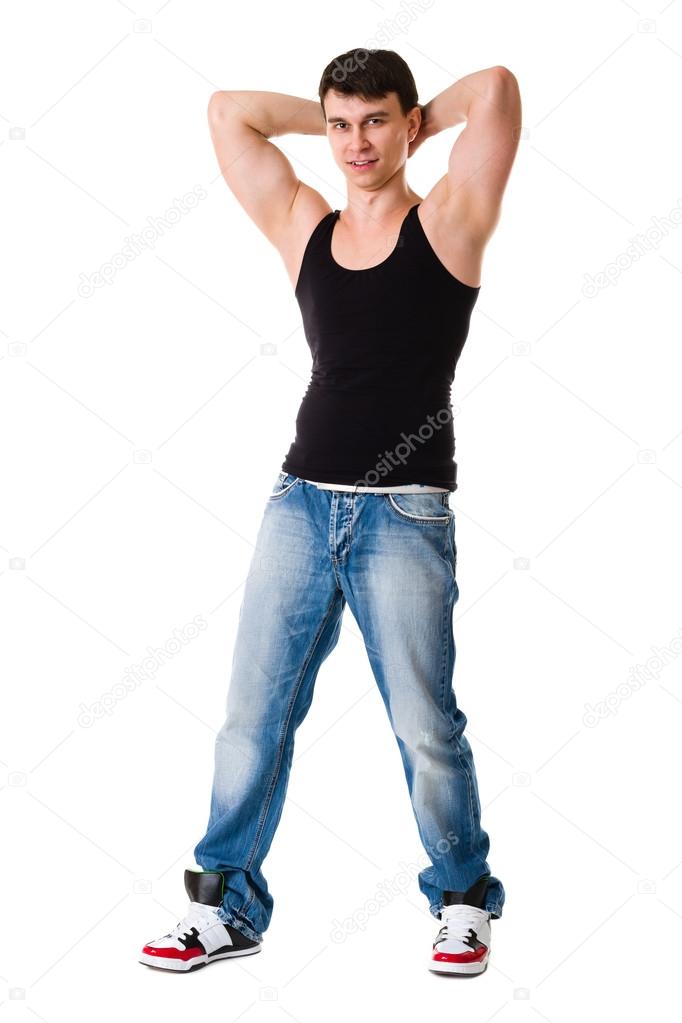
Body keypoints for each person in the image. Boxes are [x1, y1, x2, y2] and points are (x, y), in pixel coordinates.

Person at [138, 48, 521, 977]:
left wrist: (414, 119)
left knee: (426, 723)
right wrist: (339, 123)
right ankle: (226, 904)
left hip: (406, 511)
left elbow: (499, 89)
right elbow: (230, 111)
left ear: (410, 125)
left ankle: (463, 900)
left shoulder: (450, 224)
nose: (355, 141)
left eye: (376, 120)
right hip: (300, 504)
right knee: (251, 717)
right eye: (341, 123)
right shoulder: (304, 225)